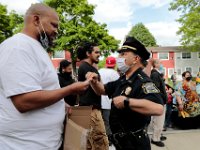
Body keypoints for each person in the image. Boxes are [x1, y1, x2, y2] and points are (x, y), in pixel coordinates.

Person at [0, 3, 89, 150]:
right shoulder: (17, 47)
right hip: (23, 145)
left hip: (45, 142)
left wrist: (62, 105)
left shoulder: (36, 48)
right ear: (36, 20)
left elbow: (43, 88)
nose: (56, 31)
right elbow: (24, 101)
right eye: (53, 25)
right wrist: (70, 90)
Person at [86, 36, 164, 150]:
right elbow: (102, 90)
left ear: (136, 59)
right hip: (121, 142)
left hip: (135, 143)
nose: (119, 58)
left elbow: (158, 109)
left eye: (123, 54)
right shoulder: (123, 79)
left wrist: (127, 101)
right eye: (119, 54)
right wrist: (94, 82)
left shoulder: (143, 81)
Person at [77, 42, 109, 150]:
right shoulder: (86, 68)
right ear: (88, 53)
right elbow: (99, 91)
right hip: (91, 110)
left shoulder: (88, 67)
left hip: (89, 109)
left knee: (91, 144)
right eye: (96, 52)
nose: (99, 54)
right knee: (100, 142)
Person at [98, 56, 120, 145]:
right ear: (114, 64)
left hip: (98, 100)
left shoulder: (99, 71)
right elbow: (118, 88)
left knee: (99, 122)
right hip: (108, 102)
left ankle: (100, 139)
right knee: (108, 122)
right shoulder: (115, 73)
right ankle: (109, 140)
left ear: (106, 63)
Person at [150, 59, 168, 147]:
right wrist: (161, 99)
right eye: (160, 62)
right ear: (155, 64)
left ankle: (158, 135)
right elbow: (155, 89)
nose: (161, 64)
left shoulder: (157, 74)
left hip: (160, 101)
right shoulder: (155, 74)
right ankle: (155, 139)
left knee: (159, 120)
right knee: (158, 121)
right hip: (159, 101)